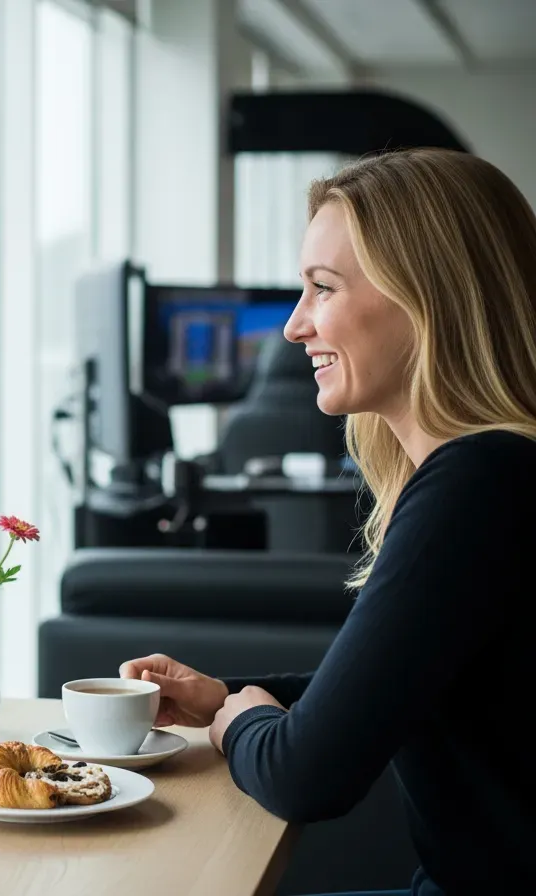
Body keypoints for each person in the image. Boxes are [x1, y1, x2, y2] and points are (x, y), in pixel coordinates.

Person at [122, 148, 536, 896]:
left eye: (322, 289)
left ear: (427, 297)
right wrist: (226, 697)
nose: (292, 327)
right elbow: (400, 686)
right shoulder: (492, 473)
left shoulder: (482, 482)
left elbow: (306, 776)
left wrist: (235, 727)